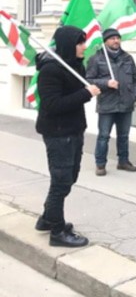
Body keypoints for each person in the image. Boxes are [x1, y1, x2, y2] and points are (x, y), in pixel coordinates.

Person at [34, 25, 101, 247]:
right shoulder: (50, 70)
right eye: (80, 42)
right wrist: (85, 93)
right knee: (61, 181)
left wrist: (90, 89)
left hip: (73, 130)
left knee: (69, 178)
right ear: (68, 45)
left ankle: (47, 218)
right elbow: (52, 105)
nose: (84, 46)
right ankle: (57, 231)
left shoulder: (73, 65)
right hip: (58, 133)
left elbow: (77, 93)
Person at [86, 28, 136, 176]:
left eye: (118, 38)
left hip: (126, 103)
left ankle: (123, 161)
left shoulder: (127, 58)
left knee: (124, 136)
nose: (116, 41)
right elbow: (88, 79)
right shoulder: (96, 58)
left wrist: (134, 95)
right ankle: (100, 164)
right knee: (104, 135)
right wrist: (106, 83)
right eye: (112, 38)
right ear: (105, 41)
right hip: (107, 104)